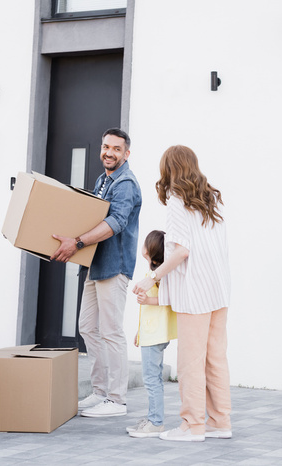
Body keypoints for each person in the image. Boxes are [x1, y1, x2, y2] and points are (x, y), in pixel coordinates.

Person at [133, 145, 231, 442]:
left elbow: (181, 252)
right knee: (215, 360)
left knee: (191, 363)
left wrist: (152, 277)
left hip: (194, 294)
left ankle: (193, 426)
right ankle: (219, 422)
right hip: (219, 291)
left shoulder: (177, 202)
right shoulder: (212, 199)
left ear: (169, 169)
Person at [51, 128, 141, 418]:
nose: (109, 152)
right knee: (88, 327)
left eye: (116, 148)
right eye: (105, 147)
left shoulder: (125, 182)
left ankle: (116, 399)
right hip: (96, 264)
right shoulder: (103, 179)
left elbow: (116, 221)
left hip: (115, 266)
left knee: (111, 331)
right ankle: (100, 392)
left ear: (126, 154)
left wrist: (77, 242)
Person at [127, 229, 178, 438]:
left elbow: (170, 299)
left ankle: (156, 422)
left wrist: (147, 300)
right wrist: (140, 331)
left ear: (149, 250)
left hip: (155, 335)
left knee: (151, 379)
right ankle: (152, 418)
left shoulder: (160, 277)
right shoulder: (156, 275)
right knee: (153, 378)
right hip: (152, 334)